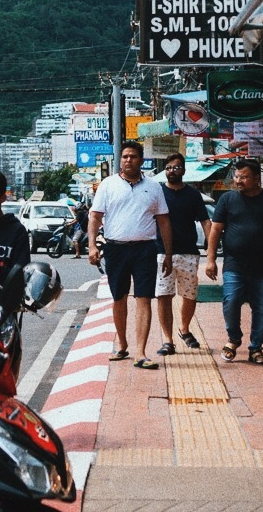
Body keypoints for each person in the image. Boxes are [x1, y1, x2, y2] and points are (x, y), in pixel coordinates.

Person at [203, 157, 263, 364]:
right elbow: (216, 229)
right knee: (231, 301)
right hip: (234, 264)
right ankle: (233, 339)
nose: (238, 181)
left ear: (257, 178)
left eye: (244, 177)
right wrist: (210, 260)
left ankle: (256, 348)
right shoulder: (227, 200)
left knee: (261, 307)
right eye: (237, 176)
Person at [89, 140, 171, 369]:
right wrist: (92, 246)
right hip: (115, 248)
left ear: (141, 160)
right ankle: (123, 344)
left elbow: (163, 221)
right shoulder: (108, 185)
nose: (128, 160)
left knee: (144, 298)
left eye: (133, 157)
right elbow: (94, 217)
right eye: (124, 156)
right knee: (119, 298)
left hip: (145, 249)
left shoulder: (154, 187)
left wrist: (169, 254)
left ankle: (141, 352)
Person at [157, 153, 211, 353]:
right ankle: (167, 339)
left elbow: (206, 221)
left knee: (189, 295)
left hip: (189, 252)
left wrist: (211, 248)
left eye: (176, 167)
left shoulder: (193, 195)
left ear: (184, 170)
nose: (172, 171)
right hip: (162, 253)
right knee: (164, 295)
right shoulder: (158, 192)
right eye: (169, 167)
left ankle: (184, 329)